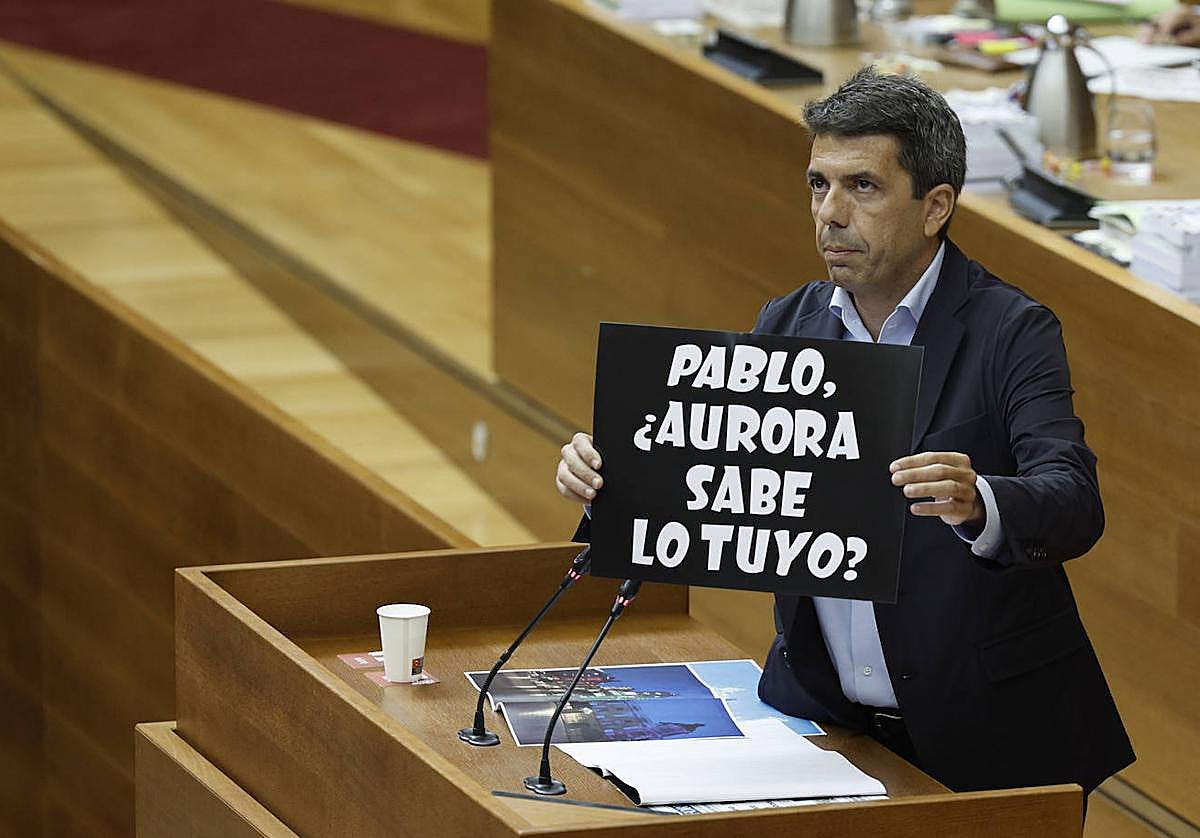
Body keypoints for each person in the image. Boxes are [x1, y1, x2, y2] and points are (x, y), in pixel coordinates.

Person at [555, 68, 1134, 801]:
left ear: (936, 207)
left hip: (990, 737)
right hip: (825, 724)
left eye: (862, 187)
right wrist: (610, 479)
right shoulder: (786, 325)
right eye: (817, 185)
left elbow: (1074, 499)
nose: (830, 213)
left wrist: (980, 500)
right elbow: (711, 485)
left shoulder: (1010, 330)